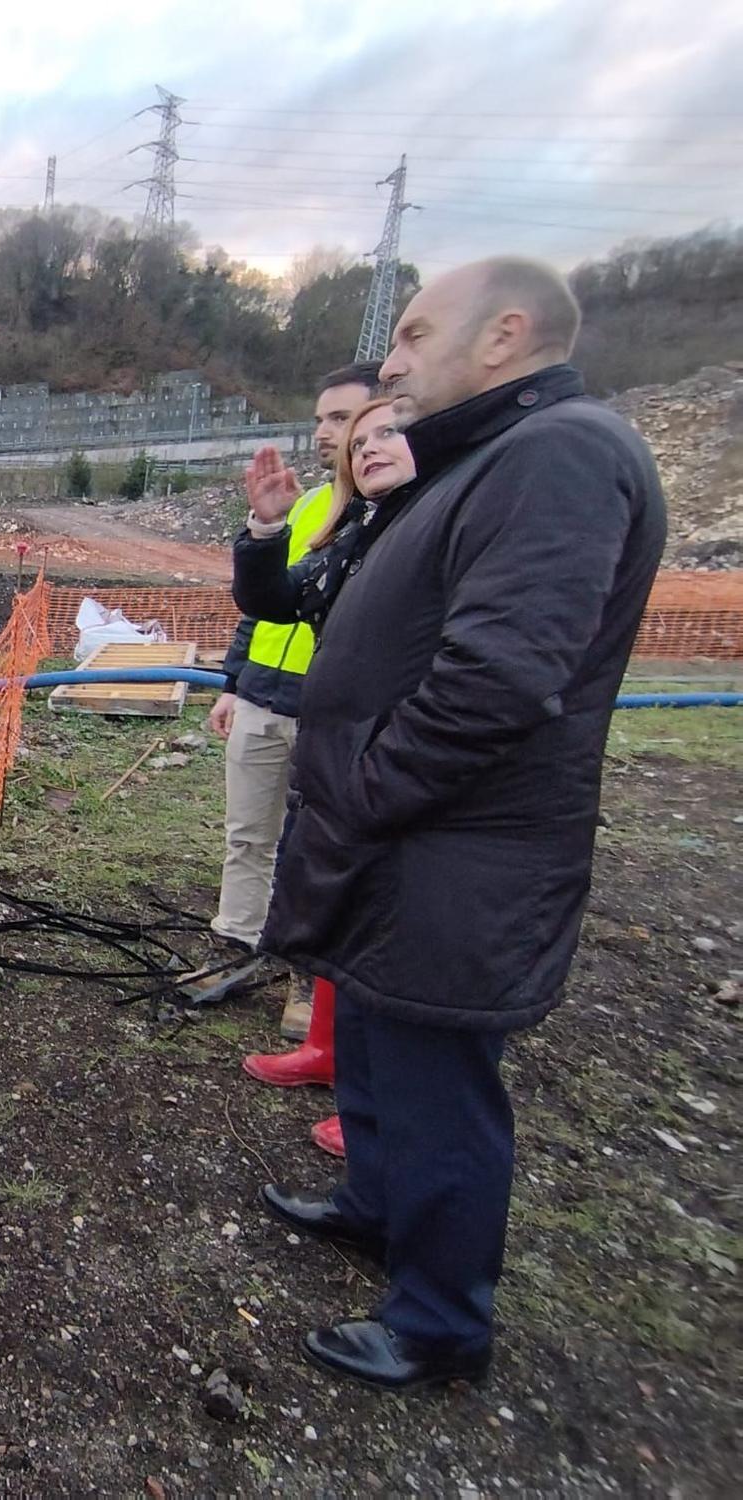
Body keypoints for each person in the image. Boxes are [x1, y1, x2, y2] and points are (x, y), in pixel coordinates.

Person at [238, 257, 665, 1391]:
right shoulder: (482, 457)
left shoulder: (558, 455)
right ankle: (375, 1208)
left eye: (417, 332)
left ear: (504, 335)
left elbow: (498, 677)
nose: (392, 356)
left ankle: (437, 1323)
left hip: (454, 846)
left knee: (436, 1078)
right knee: (378, 1037)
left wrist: (367, 786)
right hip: (404, 837)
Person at [235, 398, 417, 1155]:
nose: (363, 445)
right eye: (358, 437)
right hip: (332, 740)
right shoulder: (357, 529)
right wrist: (268, 530)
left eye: (388, 432)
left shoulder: (433, 526)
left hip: (387, 748)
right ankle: (330, 1052)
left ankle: (381, 1106)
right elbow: (275, 599)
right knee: (335, 895)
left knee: (389, 919)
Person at [212, 362, 382, 1043]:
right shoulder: (311, 506)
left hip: (331, 714)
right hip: (263, 698)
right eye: (320, 418)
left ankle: (307, 982)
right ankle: (237, 939)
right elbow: (266, 607)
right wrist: (233, 684)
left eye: (340, 419)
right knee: (247, 832)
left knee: (313, 850)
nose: (323, 433)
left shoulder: (393, 514)